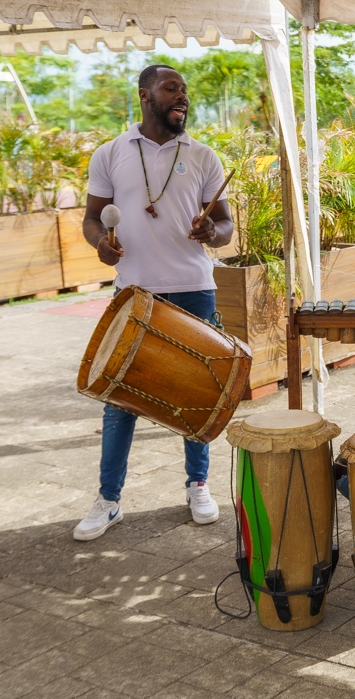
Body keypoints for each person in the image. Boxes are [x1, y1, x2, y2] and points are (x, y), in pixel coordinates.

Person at [74, 64, 233, 542]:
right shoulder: (110, 153)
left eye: (184, 89)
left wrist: (213, 231)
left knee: (196, 391)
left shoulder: (203, 156)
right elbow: (90, 220)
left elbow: (224, 228)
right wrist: (101, 243)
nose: (181, 96)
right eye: (171, 89)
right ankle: (109, 499)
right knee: (118, 399)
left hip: (193, 286)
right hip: (135, 290)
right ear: (145, 95)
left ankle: (198, 485)